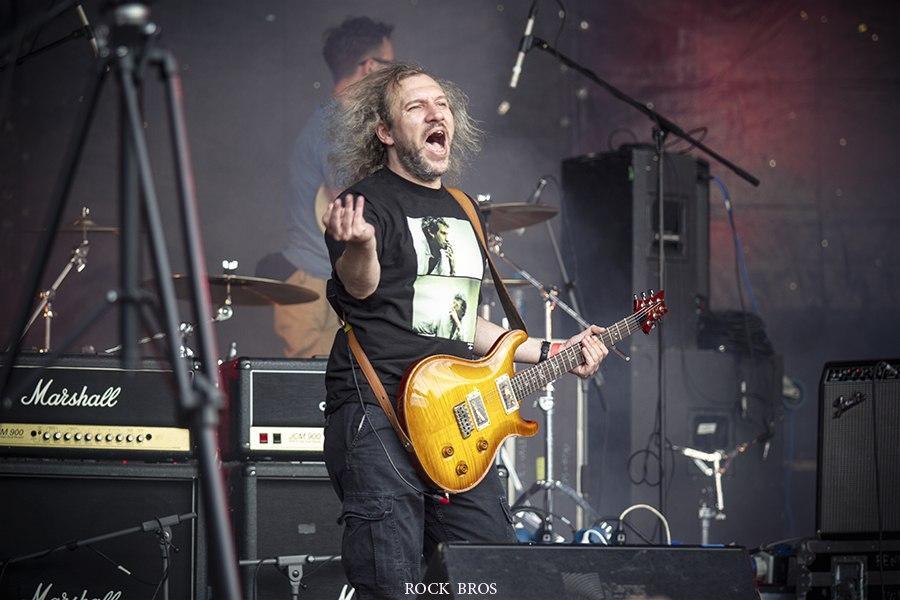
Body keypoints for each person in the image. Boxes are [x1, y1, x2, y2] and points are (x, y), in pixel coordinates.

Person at [321, 63, 609, 600]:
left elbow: (461, 321)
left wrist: (556, 350)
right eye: (416, 107)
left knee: (488, 575)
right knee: (392, 584)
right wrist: (360, 246)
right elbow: (360, 289)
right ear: (385, 132)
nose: (436, 114)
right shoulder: (363, 204)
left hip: (452, 419)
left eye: (443, 105)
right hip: (380, 411)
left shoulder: (463, 209)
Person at [264, 16, 395, 358]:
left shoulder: (336, 120)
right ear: (370, 67)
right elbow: (352, 198)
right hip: (314, 283)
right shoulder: (337, 124)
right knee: (315, 384)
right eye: (389, 65)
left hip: (326, 277)